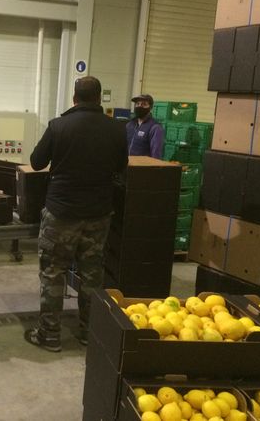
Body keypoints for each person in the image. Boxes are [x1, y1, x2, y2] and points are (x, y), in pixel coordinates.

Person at [24, 76, 128, 352]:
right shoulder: (116, 129)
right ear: (99, 98)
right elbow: (121, 167)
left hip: (62, 213)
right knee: (92, 274)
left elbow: (36, 162)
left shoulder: (59, 126)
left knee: (53, 272)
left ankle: (49, 334)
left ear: (74, 98)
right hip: (98, 214)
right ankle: (88, 333)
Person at [126, 93, 164, 159]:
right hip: (128, 164)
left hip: (143, 165)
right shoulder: (130, 125)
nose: (139, 106)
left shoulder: (155, 128)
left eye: (144, 104)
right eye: (137, 104)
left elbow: (156, 155)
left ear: (150, 108)